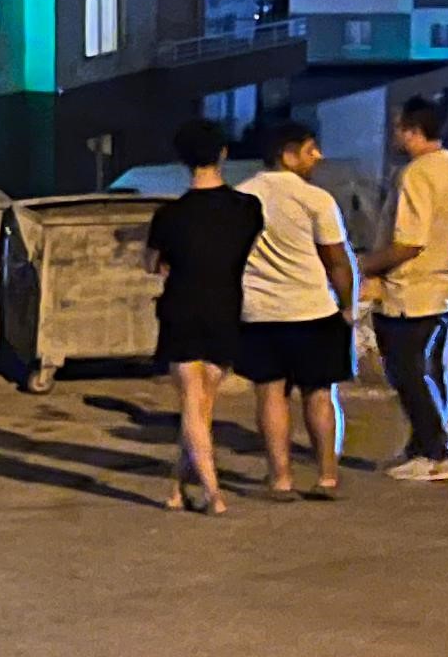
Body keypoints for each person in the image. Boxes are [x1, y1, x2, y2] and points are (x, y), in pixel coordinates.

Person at [144, 115, 263, 515]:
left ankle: (214, 494)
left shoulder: (170, 216)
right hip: (226, 307)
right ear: (223, 153)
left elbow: (151, 264)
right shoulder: (248, 209)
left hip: (182, 309)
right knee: (203, 405)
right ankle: (177, 489)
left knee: (193, 404)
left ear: (182, 160)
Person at [359, 94, 448, 483]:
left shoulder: (416, 173)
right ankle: (423, 445)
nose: (393, 134)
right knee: (431, 370)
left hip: (415, 291)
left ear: (412, 131)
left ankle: (437, 452)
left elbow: (409, 241)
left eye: (397, 127)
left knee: (406, 372)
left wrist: (362, 264)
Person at [240, 118, 358, 499]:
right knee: (319, 393)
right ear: (287, 155)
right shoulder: (316, 200)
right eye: (310, 149)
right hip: (313, 311)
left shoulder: (242, 196)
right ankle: (326, 476)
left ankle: (280, 478)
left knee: (270, 394)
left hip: (259, 313)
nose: (318, 156)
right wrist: (347, 305)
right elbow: (337, 260)